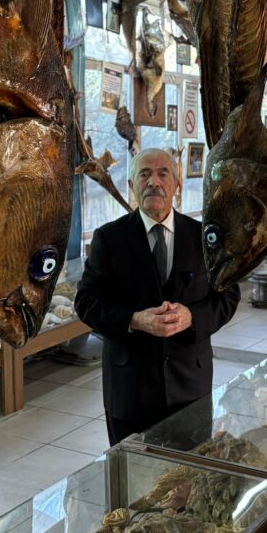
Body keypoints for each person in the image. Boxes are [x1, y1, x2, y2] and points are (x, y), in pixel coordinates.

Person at [75, 147, 240, 445]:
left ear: (176, 184)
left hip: (190, 387)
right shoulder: (109, 239)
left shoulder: (204, 238)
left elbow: (228, 297)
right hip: (130, 391)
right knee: (133, 471)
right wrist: (134, 320)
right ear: (132, 186)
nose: (154, 182)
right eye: (144, 174)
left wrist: (191, 317)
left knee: (188, 470)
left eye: (163, 174)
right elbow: (86, 302)